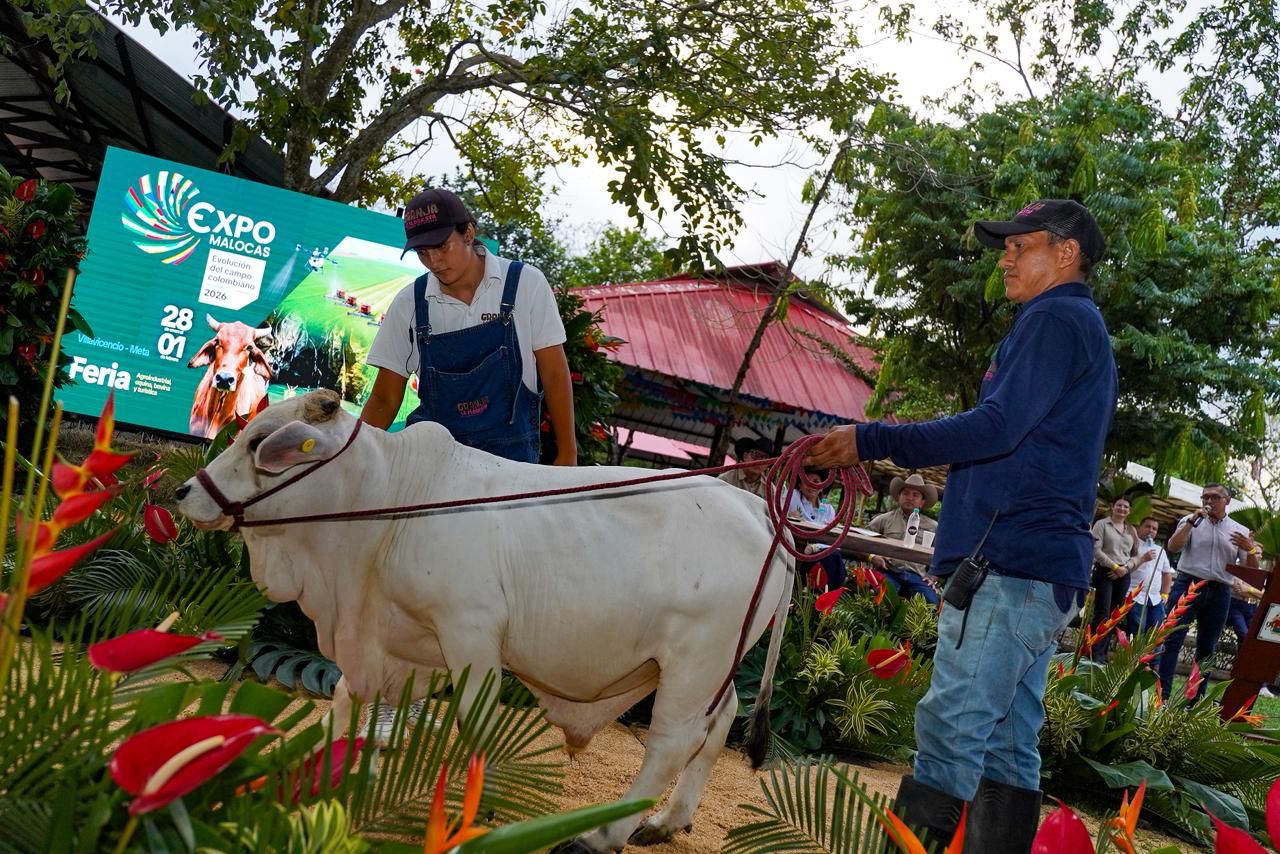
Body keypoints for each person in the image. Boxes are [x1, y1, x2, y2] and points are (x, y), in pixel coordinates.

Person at [806, 199, 1115, 854]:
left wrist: (870, 438)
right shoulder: (1074, 323)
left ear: (1065, 253)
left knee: (951, 734)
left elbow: (996, 427)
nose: (1004, 257)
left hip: (1008, 565)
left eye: (1018, 245)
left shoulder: (1056, 317)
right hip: (1038, 571)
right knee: (1006, 746)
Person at [360, 188, 576, 465]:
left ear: (469, 234)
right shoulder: (409, 304)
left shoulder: (526, 284)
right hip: (436, 464)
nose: (433, 261)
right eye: (422, 252)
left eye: (441, 246)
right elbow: (384, 399)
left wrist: (568, 453)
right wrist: (354, 459)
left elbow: (555, 373)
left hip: (512, 463)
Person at [1156, 483, 1262, 702]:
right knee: (1172, 639)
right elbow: (1173, 547)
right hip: (1188, 583)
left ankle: (1194, 700)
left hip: (1220, 590)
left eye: (1215, 497)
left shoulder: (1239, 530)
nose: (1208, 501)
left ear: (1227, 500)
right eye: (1205, 497)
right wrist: (1190, 524)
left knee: (1207, 647)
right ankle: (1162, 696)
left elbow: (1251, 570)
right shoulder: (1190, 521)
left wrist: (1250, 547)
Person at [865, 473, 941, 604]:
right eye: (905, 493)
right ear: (898, 497)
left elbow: (942, 554)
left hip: (918, 577)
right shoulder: (883, 519)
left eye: (915, 495)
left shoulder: (933, 526)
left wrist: (934, 576)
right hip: (889, 571)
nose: (910, 498)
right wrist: (872, 556)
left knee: (932, 604)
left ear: (922, 502)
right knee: (882, 599)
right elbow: (862, 540)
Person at [1089, 498, 1147, 659]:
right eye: (1119, 505)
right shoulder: (1102, 524)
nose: (1122, 508)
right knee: (1102, 612)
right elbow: (1095, 549)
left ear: (1129, 511)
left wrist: (1125, 569)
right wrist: (1114, 567)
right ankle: (1094, 652)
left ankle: (1104, 653)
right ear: (1112, 507)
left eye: (1126, 506)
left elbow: (1135, 555)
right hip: (1105, 571)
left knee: (1115, 615)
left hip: (1124, 574)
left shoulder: (1131, 530)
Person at [1127, 516, 1174, 637]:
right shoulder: (1132, 546)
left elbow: (1166, 573)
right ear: (1139, 528)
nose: (1150, 530)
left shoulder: (1160, 550)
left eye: (1154, 529)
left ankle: (1152, 657)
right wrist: (1143, 559)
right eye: (1147, 526)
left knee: (1154, 634)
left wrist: (1165, 594)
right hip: (1134, 595)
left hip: (1155, 598)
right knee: (1137, 631)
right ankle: (1133, 656)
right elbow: (1125, 569)